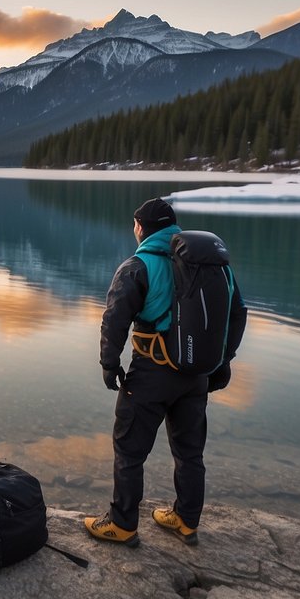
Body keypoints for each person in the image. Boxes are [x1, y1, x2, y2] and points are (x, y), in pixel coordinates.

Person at [84, 198, 246, 547]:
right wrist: (223, 360)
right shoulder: (212, 265)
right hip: (197, 375)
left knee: (129, 451)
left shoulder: (138, 265)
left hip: (151, 373)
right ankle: (187, 521)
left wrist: (109, 364)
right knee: (190, 452)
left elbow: (114, 320)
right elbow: (238, 313)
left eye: (135, 224)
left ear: (141, 227)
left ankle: (123, 524)